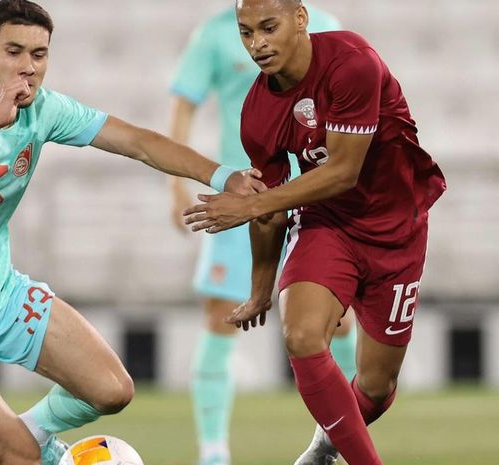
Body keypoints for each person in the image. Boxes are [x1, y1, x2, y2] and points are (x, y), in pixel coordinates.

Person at [0, 2, 265, 465]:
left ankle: (35, 437)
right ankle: (43, 453)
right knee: (20, 458)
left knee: (112, 390)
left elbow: (138, 141)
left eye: (38, 55)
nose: (27, 67)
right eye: (13, 52)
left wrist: (222, 177)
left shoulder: (44, 110)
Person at [182, 1, 446, 464]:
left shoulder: (352, 64)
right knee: (302, 335)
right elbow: (272, 201)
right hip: (328, 223)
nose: (257, 44)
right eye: (246, 33)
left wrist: (248, 205)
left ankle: (325, 445)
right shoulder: (257, 111)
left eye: (268, 27)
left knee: (377, 387)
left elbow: (343, 170)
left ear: (300, 19)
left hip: (398, 231)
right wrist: (261, 289)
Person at [167, 5, 355, 465]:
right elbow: (183, 106)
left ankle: (339, 440)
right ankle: (213, 453)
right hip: (245, 189)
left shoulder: (328, 29)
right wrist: (175, 184)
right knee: (220, 316)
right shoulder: (214, 34)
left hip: (314, 191)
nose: (257, 40)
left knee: (340, 320)